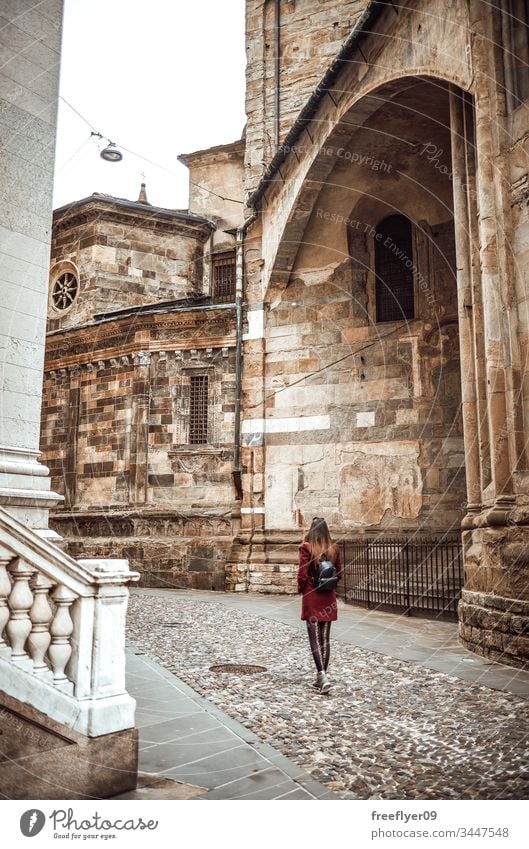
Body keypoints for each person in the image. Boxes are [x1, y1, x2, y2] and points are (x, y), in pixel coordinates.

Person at [298, 517, 342, 694]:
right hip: (328, 597)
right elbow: (339, 573)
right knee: (325, 638)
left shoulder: (306, 547)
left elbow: (302, 574)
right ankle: (322, 677)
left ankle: (322, 675)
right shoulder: (334, 548)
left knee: (314, 638)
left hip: (312, 594)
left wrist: (302, 589)